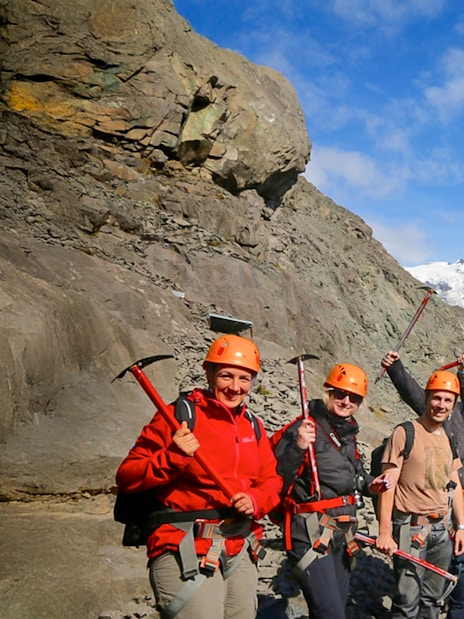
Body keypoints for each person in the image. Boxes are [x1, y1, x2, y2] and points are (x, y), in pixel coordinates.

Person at [116, 334, 283, 619]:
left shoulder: (252, 426)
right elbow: (127, 476)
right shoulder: (179, 416)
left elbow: (271, 480)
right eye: (226, 376)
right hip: (185, 543)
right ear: (209, 373)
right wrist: (173, 457)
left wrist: (255, 500)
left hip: (239, 543)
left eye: (244, 379)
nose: (234, 387)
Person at [273, 362, 391, 619]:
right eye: (340, 394)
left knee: (331, 610)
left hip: (340, 532)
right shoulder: (304, 428)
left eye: (353, 397)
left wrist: (371, 485)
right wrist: (298, 448)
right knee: (331, 613)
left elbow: (355, 477)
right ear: (328, 392)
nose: (346, 400)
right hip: (311, 531)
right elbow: (275, 478)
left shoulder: (347, 434)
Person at [381, 351, 464, 619]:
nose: (441, 404)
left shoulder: (449, 436)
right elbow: (387, 485)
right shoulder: (409, 432)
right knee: (407, 600)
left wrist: (461, 525)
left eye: (447, 400)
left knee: (433, 599)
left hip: (445, 524)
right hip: (414, 525)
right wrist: (396, 368)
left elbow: (454, 483)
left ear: (454, 403)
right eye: (436, 398)